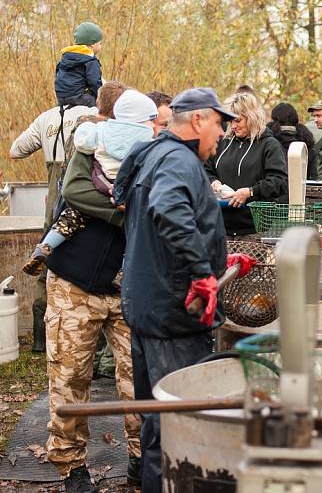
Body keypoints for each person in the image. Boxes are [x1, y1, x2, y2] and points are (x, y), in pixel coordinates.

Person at [113, 88, 254, 492]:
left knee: (157, 414)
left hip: (146, 306)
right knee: (176, 421)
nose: (222, 133)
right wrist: (200, 273)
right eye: (219, 123)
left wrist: (217, 261)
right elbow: (169, 208)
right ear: (197, 121)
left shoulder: (152, 154)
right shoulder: (178, 160)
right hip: (173, 316)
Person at [43, 93, 148, 491]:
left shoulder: (154, 155)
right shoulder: (91, 150)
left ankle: (141, 456)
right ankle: (71, 467)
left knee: (138, 376)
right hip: (75, 280)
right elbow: (75, 193)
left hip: (126, 286)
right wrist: (125, 212)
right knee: (70, 377)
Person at [9, 83, 120, 352]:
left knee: (65, 225)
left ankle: (40, 339)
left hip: (61, 193)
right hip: (103, 193)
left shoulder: (49, 118)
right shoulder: (115, 130)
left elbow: (16, 151)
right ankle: (97, 350)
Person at [23, 90, 159, 275]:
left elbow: (83, 142)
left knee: (71, 216)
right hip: (125, 189)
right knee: (133, 231)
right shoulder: (148, 140)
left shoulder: (101, 131)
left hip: (100, 181)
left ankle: (45, 246)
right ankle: (124, 272)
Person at [206, 92, 288, 236]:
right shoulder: (223, 142)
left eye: (238, 121)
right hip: (221, 227)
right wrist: (213, 182)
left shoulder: (269, 145)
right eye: (230, 122)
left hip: (254, 229)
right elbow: (206, 168)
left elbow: (278, 181)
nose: (233, 126)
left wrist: (250, 192)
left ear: (252, 117)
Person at [54, 22, 104, 107]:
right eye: (99, 43)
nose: (101, 46)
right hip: (80, 97)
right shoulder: (90, 60)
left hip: (61, 97)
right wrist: (101, 97)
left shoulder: (67, 56)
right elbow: (95, 82)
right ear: (92, 44)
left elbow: (57, 74)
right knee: (103, 109)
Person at [267, 102, 318, 180]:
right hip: (302, 190)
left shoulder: (268, 142)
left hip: (275, 189)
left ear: (274, 119)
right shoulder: (307, 142)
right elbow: (313, 176)